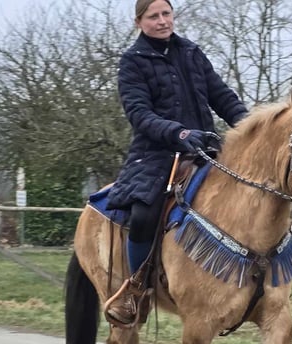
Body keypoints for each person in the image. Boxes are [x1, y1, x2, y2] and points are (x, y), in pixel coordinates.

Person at [105, 0, 248, 325]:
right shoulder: (132, 61)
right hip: (154, 154)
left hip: (206, 149)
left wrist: (249, 124)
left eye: (166, 14)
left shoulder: (191, 52)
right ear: (139, 22)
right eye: (153, 16)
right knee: (143, 214)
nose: (162, 21)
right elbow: (139, 114)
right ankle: (136, 290)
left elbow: (221, 95)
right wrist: (179, 133)